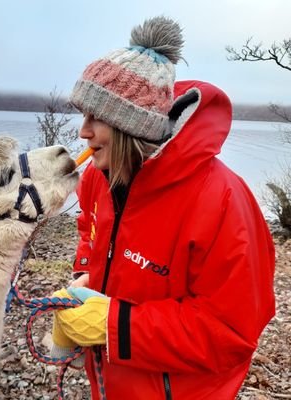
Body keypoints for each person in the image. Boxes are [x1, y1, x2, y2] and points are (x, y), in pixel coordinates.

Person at [51, 16, 275, 399]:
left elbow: (233, 331)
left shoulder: (221, 200)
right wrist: (84, 279)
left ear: (129, 126)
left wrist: (114, 325)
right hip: (112, 381)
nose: (82, 132)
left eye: (95, 118)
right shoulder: (98, 178)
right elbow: (90, 234)